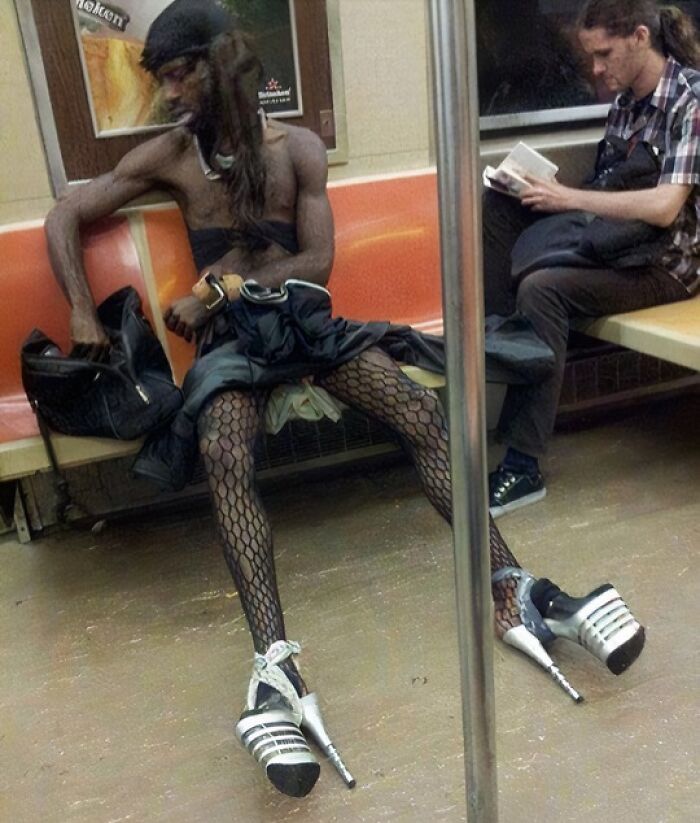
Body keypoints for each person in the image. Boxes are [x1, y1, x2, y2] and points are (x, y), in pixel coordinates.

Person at [44, 0, 646, 799]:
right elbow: (64, 215)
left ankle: (512, 590)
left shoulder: (295, 148)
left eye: (176, 73)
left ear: (217, 62)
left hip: (300, 322)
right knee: (224, 451)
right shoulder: (170, 157)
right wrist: (82, 311)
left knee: (422, 416)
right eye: (158, 80)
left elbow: (317, 259)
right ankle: (275, 669)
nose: (166, 93)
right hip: (232, 351)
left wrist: (222, 286)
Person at [484, 0, 700, 517]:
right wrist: (550, 192)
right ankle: (502, 345)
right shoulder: (626, 104)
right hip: (619, 246)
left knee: (544, 289)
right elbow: (612, 187)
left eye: (604, 55)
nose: (596, 71)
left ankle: (523, 464)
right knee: (499, 208)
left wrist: (572, 200)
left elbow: (665, 206)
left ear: (641, 37)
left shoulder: (689, 102)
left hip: (665, 266)